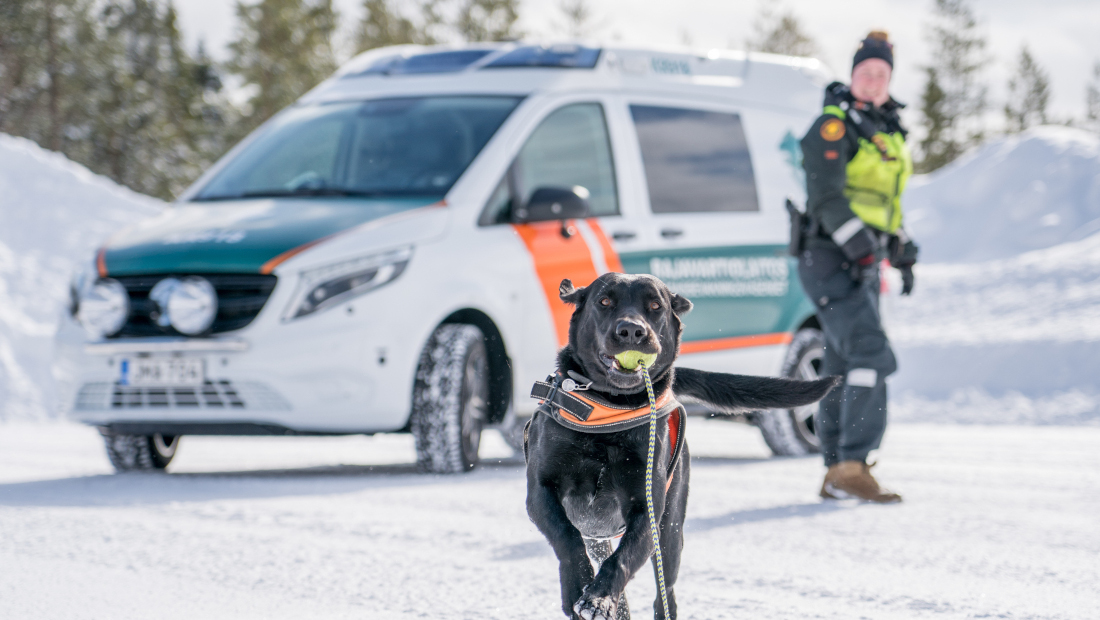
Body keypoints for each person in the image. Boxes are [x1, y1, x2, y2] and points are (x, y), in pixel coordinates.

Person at [797, 31, 918, 503]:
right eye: (865, 73)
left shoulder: (886, 129)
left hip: (860, 260)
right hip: (830, 257)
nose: (872, 81)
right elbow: (827, 197)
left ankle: (837, 471)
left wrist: (901, 247)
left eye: (881, 74)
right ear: (852, 77)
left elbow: (883, 203)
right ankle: (853, 462)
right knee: (869, 351)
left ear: (889, 80)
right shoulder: (834, 126)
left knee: (843, 360)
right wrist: (865, 249)